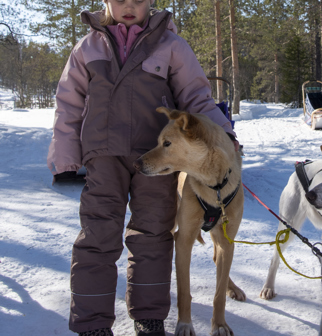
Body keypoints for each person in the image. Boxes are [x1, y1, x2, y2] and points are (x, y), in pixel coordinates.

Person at [46, 1, 239, 335]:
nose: (130, 6)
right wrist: (65, 156)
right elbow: (69, 102)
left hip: (156, 158)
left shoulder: (171, 45)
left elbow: (195, 97)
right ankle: (92, 323)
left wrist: (225, 134)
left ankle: (149, 317)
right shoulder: (87, 47)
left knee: (153, 234)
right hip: (103, 156)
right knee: (98, 235)